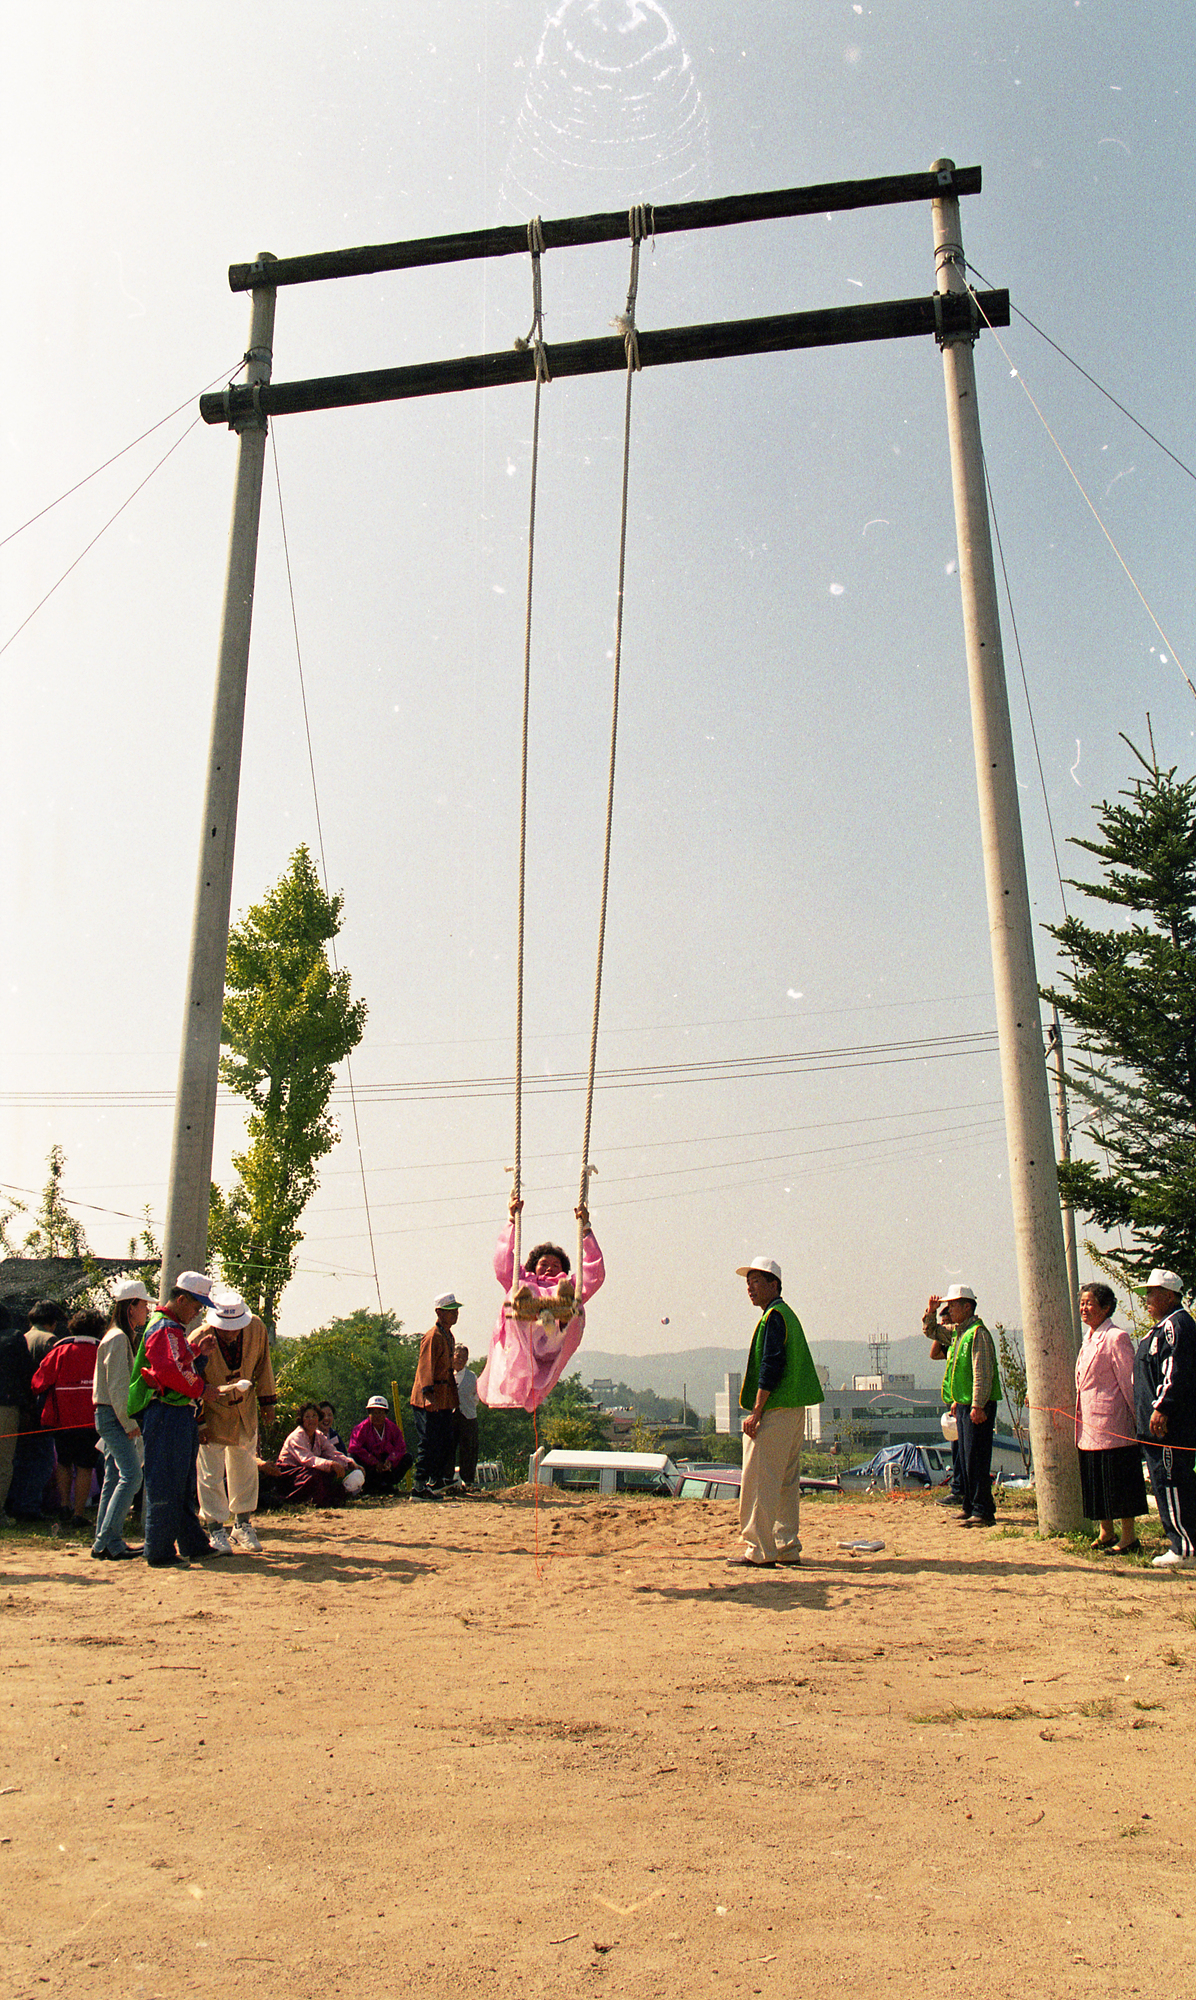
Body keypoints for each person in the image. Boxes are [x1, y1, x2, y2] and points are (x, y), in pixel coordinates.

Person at [728, 1256, 824, 1569]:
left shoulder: (774, 1317)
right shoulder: (786, 1315)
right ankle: (786, 1546)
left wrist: (756, 1411)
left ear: (774, 1285)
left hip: (776, 1408)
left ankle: (758, 1549)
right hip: (794, 1408)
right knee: (785, 1481)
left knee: (759, 1480)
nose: (750, 1288)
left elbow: (771, 1366)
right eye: (748, 1282)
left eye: (757, 1281)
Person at [478, 1196, 604, 1413]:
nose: (549, 1269)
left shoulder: (568, 1283)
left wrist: (586, 1232)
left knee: (574, 1301)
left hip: (554, 1338)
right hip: (527, 1335)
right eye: (543, 1264)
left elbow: (594, 1274)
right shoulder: (523, 1280)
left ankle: (561, 1312)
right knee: (515, 1292)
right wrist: (511, 1221)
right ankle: (531, 1310)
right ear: (533, 1266)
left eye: (556, 1265)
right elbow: (502, 1265)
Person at [127, 1271, 219, 1568]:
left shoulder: (169, 1328)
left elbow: (176, 1361)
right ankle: (159, 1550)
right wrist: (202, 1389)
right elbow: (170, 1371)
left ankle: (192, 1543)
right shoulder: (165, 1328)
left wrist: (196, 1352)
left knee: (180, 1482)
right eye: (196, 1306)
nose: (197, 1313)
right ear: (181, 1299)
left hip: (176, 1412)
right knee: (166, 1482)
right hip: (167, 1412)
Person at [195, 1291, 278, 1555]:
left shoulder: (256, 1329)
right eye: (225, 1329)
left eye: (234, 1329)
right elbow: (188, 1380)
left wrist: (268, 1402)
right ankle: (215, 1527)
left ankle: (242, 1524)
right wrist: (199, 1423)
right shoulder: (198, 1338)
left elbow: (264, 1364)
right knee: (210, 1472)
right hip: (212, 1412)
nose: (230, 1334)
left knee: (244, 1466)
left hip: (244, 1410)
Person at [1075, 1280, 1147, 1555]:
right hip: (1088, 1424)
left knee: (1119, 1480)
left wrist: (1138, 1419)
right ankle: (1106, 1531)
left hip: (1114, 1422)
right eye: (1082, 1303)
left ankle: (1128, 1537)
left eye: (1089, 1303)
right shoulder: (1089, 1337)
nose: (1084, 1308)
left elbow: (1129, 1381)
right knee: (1095, 1478)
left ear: (1106, 1307)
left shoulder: (1116, 1337)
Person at [1134, 1268, 1196, 1569]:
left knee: (1172, 1482)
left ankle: (1183, 1547)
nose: (1148, 1299)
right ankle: (1181, 1541)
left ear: (1170, 1296)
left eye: (1153, 1293)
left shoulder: (1177, 1326)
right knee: (1163, 1480)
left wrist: (1162, 1406)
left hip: (1170, 1427)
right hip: (1154, 1429)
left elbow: (1176, 1370)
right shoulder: (1160, 1328)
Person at [928, 1283, 999, 1528]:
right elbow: (933, 1331)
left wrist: (978, 1405)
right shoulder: (961, 1333)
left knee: (976, 1458)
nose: (949, 1310)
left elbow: (982, 1373)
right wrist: (930, 1313)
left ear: (967, 1307)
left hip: (976, 1406)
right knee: (967, 1458)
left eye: (953, 1305)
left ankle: (982, 1508)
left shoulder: (977, 1334)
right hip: (965, 1404)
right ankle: (970, 1504)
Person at [90, 1280, 150, 1560]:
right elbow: (117, 1386)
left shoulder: (116, 1336)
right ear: (131, 1307)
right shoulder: (118, 1338)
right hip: (113, 1415)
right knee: (132, 1475)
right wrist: (129, 1423)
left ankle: (106, 1541)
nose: (147, 1309)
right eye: (143, 1304)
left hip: (108, 1413)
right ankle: (106, 1540)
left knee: (115, 1477)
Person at [31, 1307, 104, 1529]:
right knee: (85, 1467)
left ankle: (64, 1506)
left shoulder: (60, 1350)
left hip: (62, 1420)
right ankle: (79, 1514)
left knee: (63, 1462)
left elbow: (38, 1383)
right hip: (90, 1420)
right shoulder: (101, 1350)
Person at [8, 1301, 68, 1520]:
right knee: (42, 1460)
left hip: (21, 1408)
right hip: (41, 1408)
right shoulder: (49, 1341)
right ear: (52, 1322)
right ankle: (29, 1507)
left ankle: (16, 1503)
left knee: (21, 1459)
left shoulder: (23, 1337)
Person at [410, 1295, 462, 1497]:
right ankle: (419, 1485)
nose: (455, 1314)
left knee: (444, 1439)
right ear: (439, 1312)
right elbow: (425, 1368)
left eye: (456, 1310)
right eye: (451, 1310)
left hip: (443, 1397)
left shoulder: (448, 1335)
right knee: (429, 1441)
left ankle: (436, 1479)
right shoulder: (433, 1336)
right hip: (429, 1398)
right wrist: (428, 1395)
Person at [922, 1295, 965, 1506]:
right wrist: (942, 1332)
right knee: (956, 1445)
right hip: (952, 1398)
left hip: (961, 1398)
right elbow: (934, 1353)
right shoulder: (951, 1341)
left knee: (963, 1447)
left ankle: (961, 1489)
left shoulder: (966, 1337)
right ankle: (959, 1487)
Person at [276, 1404, 362, 1505]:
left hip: (307, 1470)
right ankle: (292, 1500)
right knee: (314, 1477)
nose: (311, 1420)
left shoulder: (319, 1436)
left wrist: (350, 1463)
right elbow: (307, 1459)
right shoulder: (297, 1437)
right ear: (302, 1420)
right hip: (289, 1473)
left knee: (332, 1476)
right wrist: (330, 1464)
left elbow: (332, 1453)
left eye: (314, 1416)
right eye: (307, 1417)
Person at [0, 1305, 34, 1523]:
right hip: (6, 1406)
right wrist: (29, 1406)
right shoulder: (13, 1338)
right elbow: (26, 1374)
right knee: (4, 1462)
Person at [347, 1397, 413, 1495]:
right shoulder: (361, 1429)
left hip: (387, 1465)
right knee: (352, 1457)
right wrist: (373, 1462)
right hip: (369, 1467)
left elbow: (401, 1447)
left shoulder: (392, 1428)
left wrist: (390, 1461)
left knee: (408, 1458)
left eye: (380, 1412)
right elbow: (354, 1448)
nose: (377, 1416)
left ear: (385, 1414)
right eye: (374, 1413)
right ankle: (369, 1485)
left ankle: (387, 1484)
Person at [454, 1344, 480, 1490]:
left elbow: (476, 1397)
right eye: (458, 1356)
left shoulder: (472, 1377)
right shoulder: (446, 1374)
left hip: (468, 1417)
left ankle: (468, 1481)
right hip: (450, 1416)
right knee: (449, 1448)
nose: (460, 1360)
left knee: (469, 1449)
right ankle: (447, 1479)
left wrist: (468, 1408)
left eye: (463, 1357)